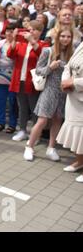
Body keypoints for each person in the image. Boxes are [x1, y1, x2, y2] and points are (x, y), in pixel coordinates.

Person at [25, 29, 74, 161]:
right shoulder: (48, 51)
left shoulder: (72, 54)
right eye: (63, 36)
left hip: (64, 93)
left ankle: (51, 148)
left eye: (68, 36)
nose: (65, 39)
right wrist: (51, 67)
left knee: (58, 119)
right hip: (49, 90)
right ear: (57, 37)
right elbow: (39, 70)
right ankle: (29, 146)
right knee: (42, 120)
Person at [57, 40, 83, 183]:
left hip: (79, 93)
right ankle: (79, 161)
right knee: (77, 133)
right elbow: (68, 66)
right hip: (73, 97)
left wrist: (73, 83)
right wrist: (65, 81)